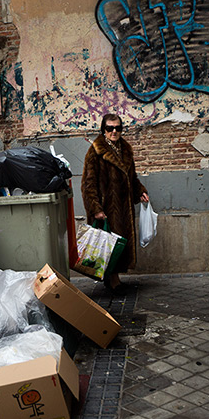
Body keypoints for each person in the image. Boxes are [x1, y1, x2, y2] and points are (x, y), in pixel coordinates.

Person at [81, 113, 149, 293]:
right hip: (107, 206)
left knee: (119, 244)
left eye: (117, 128)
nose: (114, 131)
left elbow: (132, 177)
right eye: (109, 128)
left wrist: (140, 191)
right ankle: (113, 281)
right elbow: (89, 183)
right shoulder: (95, 151)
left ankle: (114, 278)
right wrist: (95, 208)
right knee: (109, 243)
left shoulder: (125, 149)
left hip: (123, 206)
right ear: (103, 130)